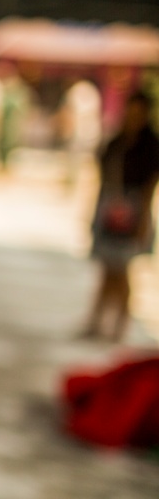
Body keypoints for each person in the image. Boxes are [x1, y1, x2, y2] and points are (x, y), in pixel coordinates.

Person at [82, 90, 159, 342]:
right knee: (107, 269)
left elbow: (149, 185)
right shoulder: (117, 142)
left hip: (133, 208)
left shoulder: (150, 146)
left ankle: (119, 326)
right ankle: (97, 321)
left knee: (122, 270)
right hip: (111, 203)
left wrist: (143, 219)